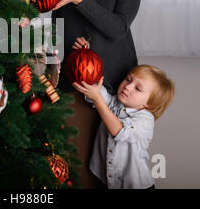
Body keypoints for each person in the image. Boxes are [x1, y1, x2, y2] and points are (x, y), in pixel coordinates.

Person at [27, 0, 142, 188]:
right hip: (72, 85)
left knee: (114, 167)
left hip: (116, 89)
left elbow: (117, 27)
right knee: (74, 165)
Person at [71, 55, 175, 189]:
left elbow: (119, 131)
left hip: (134, 184)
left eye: (138, 88)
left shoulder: (145, 120)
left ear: (149, 103)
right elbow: (97, 91)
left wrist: (98, 100)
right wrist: (85, 56)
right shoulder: (115, 102)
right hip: (106, 179)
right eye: (128, 79)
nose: (128, 86)